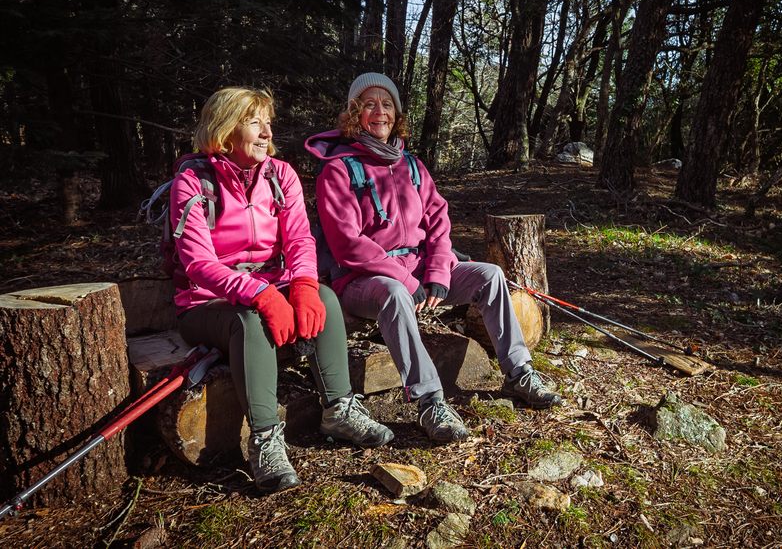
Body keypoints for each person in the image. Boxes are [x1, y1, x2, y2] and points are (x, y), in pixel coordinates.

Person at [305, 73, 563, 444]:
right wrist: (409, 282)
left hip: (420, 268)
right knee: (394, 293)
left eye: (388, 104)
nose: (380, 112)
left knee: (489, 275)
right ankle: (430, 401)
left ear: (397, 114)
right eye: (369, 104)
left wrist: (438, 272)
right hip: (363, 280)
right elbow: (348, 244)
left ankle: (519, 373)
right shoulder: (337, 170)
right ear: (354, 112)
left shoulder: (412, 166)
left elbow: (439, 222)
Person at [171, 86, 393, 493]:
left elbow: (300, 241)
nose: (266, 132)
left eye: (268, 124)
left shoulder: (280, 175)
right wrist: (259, 294)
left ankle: (339, 409)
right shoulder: (192, 181)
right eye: (254, 122)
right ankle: (265, 439)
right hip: (207, 303)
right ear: (225, 129)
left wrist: (305, 283)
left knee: (325, 297)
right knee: (249, 321)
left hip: (272, 284)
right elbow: (197, 264)